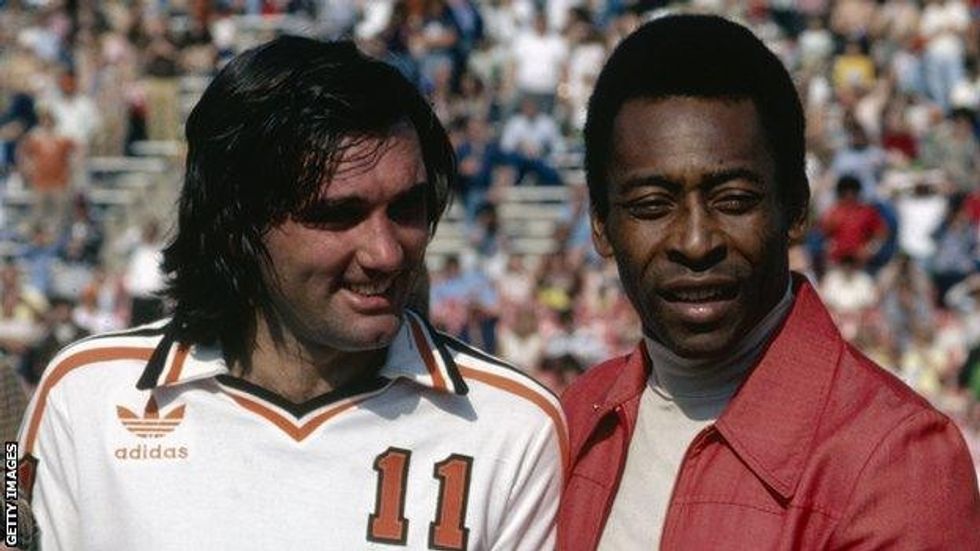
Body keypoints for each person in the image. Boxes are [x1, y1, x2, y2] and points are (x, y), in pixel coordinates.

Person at [17, 37, 564, 550]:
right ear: (238, 225)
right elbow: (12, 524)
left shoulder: (512, 429)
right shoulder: (85, 395)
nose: (386, 253)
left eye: (407, 208)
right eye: (338, 214)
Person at [558, 14, 979, 550]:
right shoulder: (575, 417)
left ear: (796, 208)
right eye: (652, 206)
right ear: (601, 225)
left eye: (734, 200)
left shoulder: (895, 461)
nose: (695, 242)